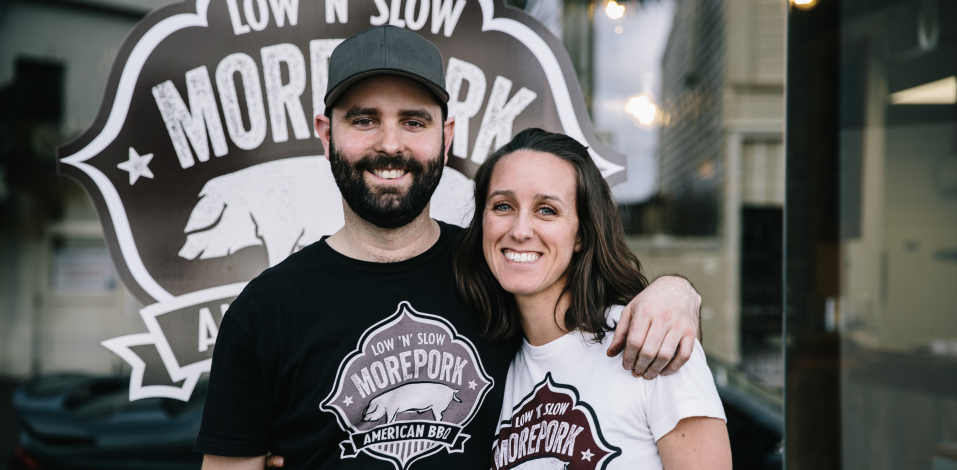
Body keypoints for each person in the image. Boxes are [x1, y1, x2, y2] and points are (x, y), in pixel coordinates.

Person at [195, 26, 704, 470]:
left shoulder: (494, 269)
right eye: (364, 119)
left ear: (446, 137)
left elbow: (598, 307)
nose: (390, 145)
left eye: (414, 122)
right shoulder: (264, 313)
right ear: (326, 135)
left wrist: (677, 292)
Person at [454, 128, 731, 469]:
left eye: (547, 210)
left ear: (581, 235)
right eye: (503, 206)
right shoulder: (489, 366)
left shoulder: (651, 339)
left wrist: (679, 290)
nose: (520, 230)